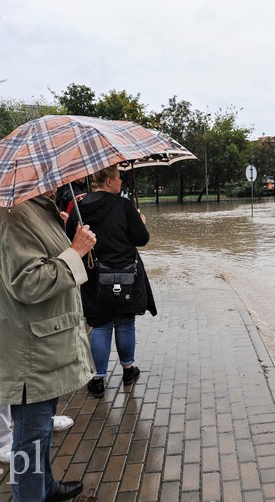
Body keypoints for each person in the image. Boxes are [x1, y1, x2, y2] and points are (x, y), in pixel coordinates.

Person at [0, 191, 97, 502]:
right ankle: (30, 495)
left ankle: (46, 487)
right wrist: (75, 251)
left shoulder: (34, 209)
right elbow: (30, 282)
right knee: (30, 436)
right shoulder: (13, 216)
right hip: (28, 350)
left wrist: (62, 231)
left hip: (41, 345)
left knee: (40, 430)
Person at [66, 166, 157, 398]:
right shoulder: (124, 206)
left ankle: (98, 380)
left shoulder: (80, 207)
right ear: (108, 181)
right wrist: (140, 222)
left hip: (94, 277)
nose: (121, 181)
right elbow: (142, 239)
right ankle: (128, 371)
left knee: (101, 326)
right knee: (125, 323)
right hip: (126, 276)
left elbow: (70, 239)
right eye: (118, 177)